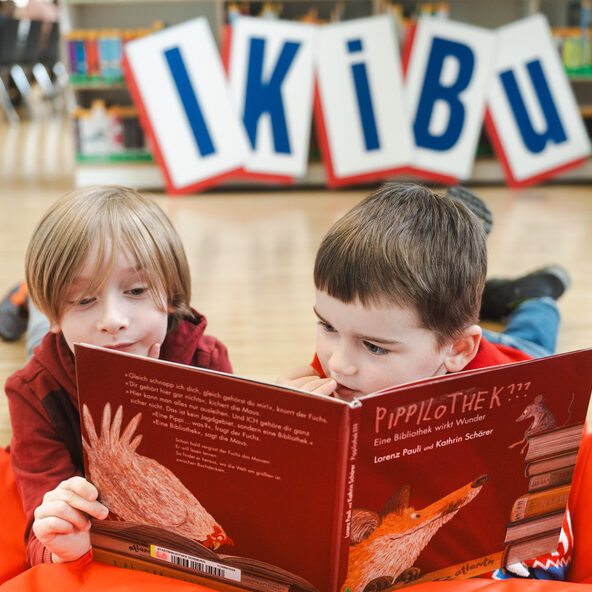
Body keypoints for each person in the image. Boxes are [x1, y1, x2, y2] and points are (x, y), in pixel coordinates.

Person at [277, 183, 571, 579]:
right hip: (434, 346)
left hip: (510, 358)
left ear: (459, 349)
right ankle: (467, 273)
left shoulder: (507, 401)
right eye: (327, 326)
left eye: (374, 347)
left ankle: (535, 294)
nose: (339, 365)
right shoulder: (348, 364)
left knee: (533, 336)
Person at [4, 185, 232, 568]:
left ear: (173, 295)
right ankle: (26, 300)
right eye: (84, 298)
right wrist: (61, 546)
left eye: (137, 290)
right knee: (32, 332)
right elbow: (41, 526)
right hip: (57, 342)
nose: (113, 320)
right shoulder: (32, 391)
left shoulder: (207, 359)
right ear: (58, 311)